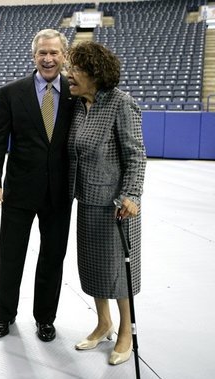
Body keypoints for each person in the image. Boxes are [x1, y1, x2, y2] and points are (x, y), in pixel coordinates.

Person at [0, 29, 76, 341]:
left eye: (54, 53)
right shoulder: (11, 92)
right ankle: (4, 315)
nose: (48, 59)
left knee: (53, 258)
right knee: (10, 255)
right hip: (19, 189)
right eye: (42, 53)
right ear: (33, 56)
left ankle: (45, 319)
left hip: (61, 191)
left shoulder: (75, 93)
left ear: (64, 55)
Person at [66, 41, 146, 365]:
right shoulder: (78, 105)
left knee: (118, 274)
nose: (68, 75)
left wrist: (132, 195)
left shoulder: (120, 103)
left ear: (94, 74)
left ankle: (125, 330)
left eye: (75, 69)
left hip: (117, 207)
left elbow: (136, 154)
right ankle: (104, 323)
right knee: (94, 269)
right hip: (86, 202)